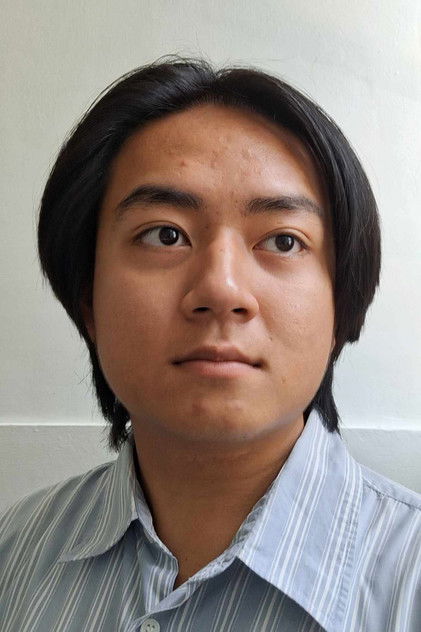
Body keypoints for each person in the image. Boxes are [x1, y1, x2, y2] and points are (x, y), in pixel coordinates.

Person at [0, 56, 419, 632]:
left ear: (341, 305)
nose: (222, 290)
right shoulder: (14, 557)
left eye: (283, 241)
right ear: (87, 297)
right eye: (164, 234)